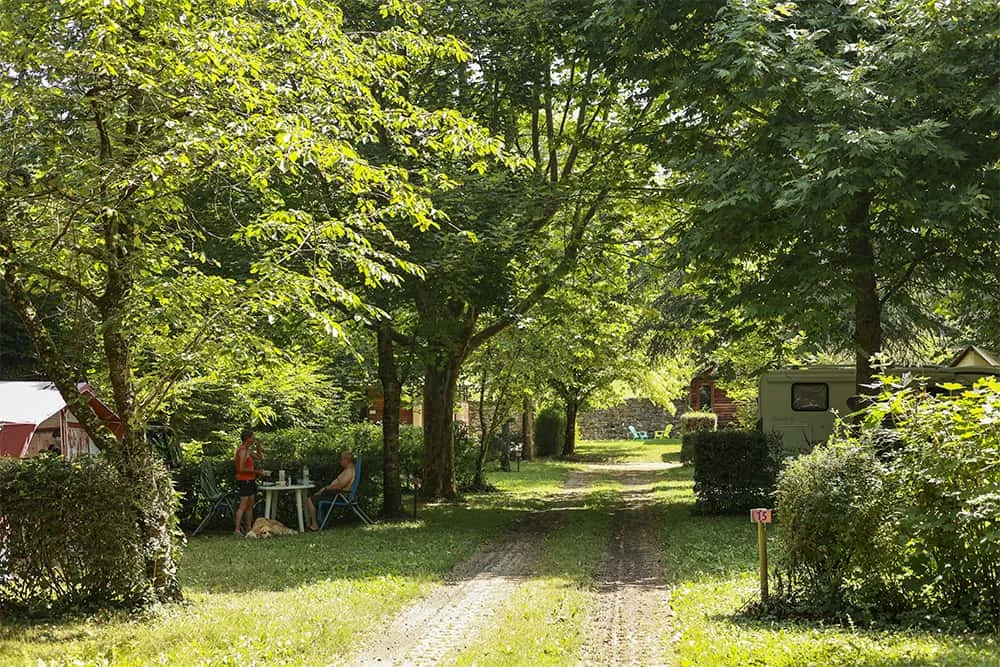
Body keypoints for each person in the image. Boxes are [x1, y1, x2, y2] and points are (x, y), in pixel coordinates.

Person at [305, 451, 356, 531]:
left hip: (340, 496)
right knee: (314, 497)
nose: (340, 461)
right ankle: (319, 522)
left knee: (310, 500)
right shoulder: (348, 470)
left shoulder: (349, 471)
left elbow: (340, 486)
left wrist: (325, 489)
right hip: (338, 495)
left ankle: (314, 526)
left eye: (341, 459)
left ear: (347, 460)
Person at [234, 429, 263, 536]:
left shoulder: (248, 450)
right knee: (243, 506)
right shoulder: (242, 451)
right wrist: (256, 471)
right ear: (248, 438)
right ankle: (237, 529)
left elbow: (259, 457)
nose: (254, 439)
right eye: (253, 437)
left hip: (250, 480)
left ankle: (249, 528)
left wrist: (258, 446)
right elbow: (241, 468)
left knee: (250, 505)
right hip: (244, 480)